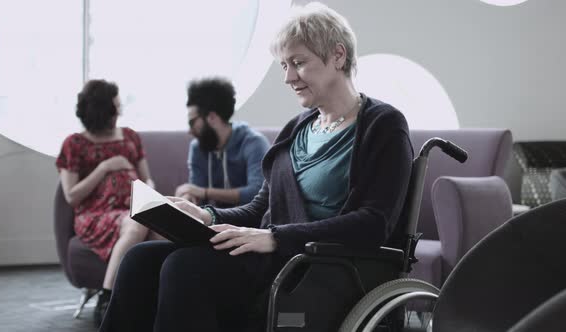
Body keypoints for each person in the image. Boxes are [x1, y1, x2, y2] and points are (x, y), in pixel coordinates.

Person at [100, 3, 413, 332]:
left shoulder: (383, 125)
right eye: (284, 65)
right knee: (139, 260)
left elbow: (374, 224)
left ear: (337, 56)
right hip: (278, 255)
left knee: (184, 266)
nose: (288, 77)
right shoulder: (297, 128)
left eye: (298, 62)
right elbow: (262, 207)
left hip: (321, 266)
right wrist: (208, 216)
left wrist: (275, 238)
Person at [56, 79, 162, 327]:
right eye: (115, 107)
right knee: (136, 224)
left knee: (160, 228)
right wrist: (104, 168)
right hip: (95, 214)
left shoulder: (130, 137)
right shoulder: (74, 144)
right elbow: (72, 195)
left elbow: (148, 179)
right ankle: (107, 298)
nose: (120, 112)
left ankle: (158, 299)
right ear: (101, 112)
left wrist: (151, 196)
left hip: (133, 207)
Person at [175, 77, 269, 207]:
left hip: (250, 223)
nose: (190, 131)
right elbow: (196, 190)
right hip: (211, 220)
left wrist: (205, 192)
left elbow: (257, 193)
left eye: (192, 122)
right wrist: (188, 197)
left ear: (212, 117)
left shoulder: (254, 143)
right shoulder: (198, 147)